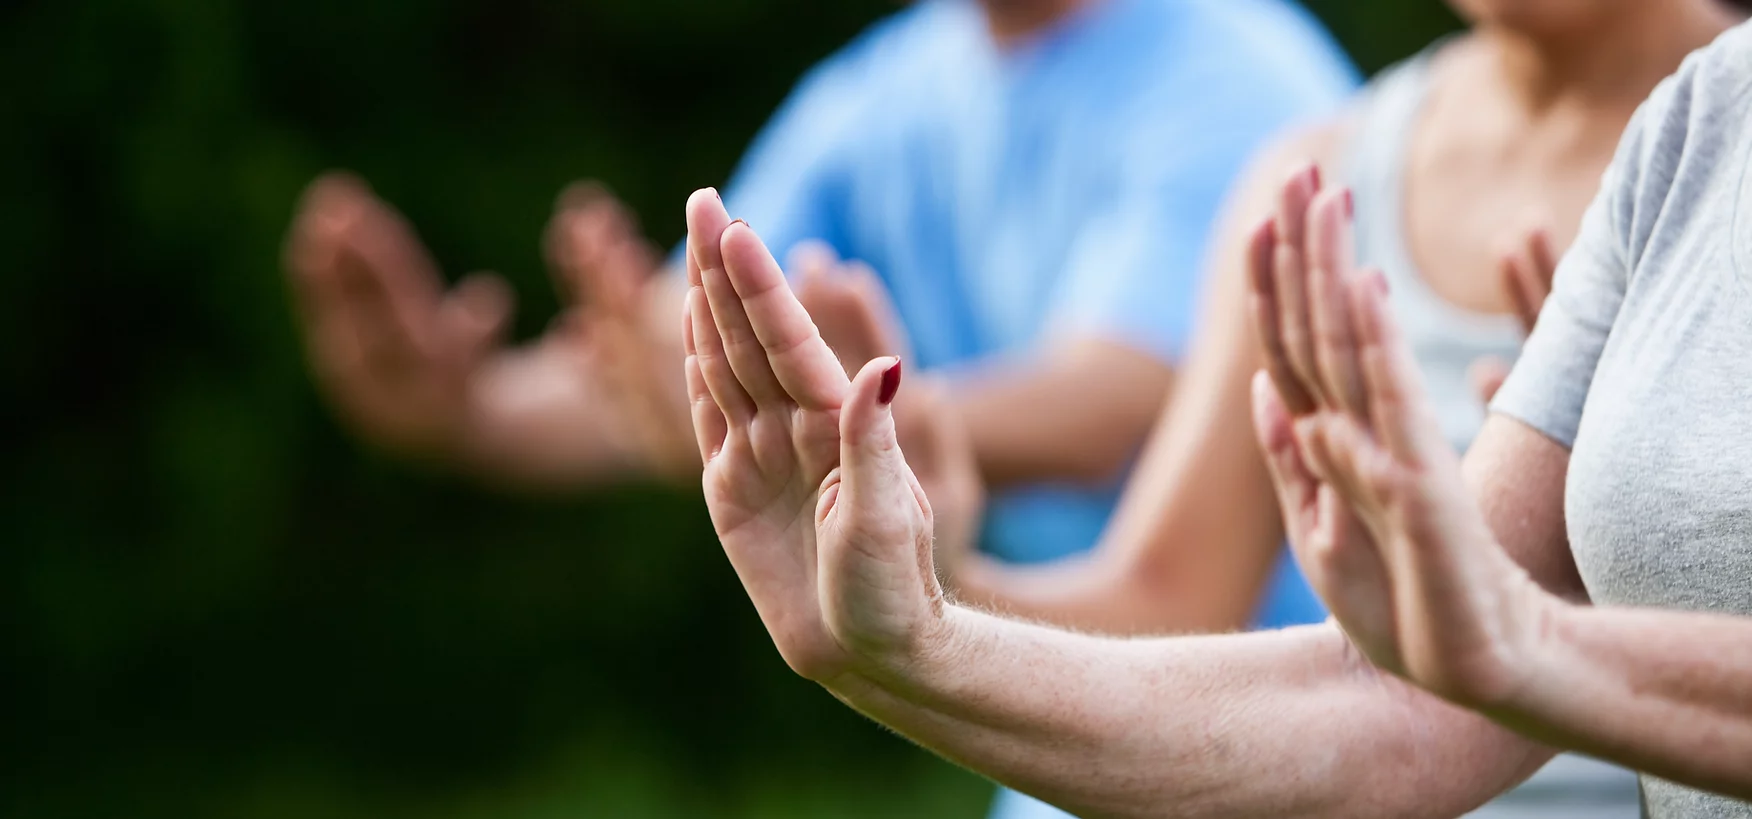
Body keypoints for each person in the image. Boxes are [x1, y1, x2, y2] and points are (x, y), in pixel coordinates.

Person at [285, 5, 1355, 814]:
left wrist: (842, 432)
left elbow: (1122, 395)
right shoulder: (880, 96)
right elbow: (685, 366)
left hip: (1297, 744)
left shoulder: (1241, 75)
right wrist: (470, 411)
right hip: (1059, 753)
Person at [679, 17, 1752, 819]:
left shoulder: (1216, 64)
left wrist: (1531, 645)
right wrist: (917, 623)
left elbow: (1479, 665)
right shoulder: (1689, 139)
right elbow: (1400, 705)